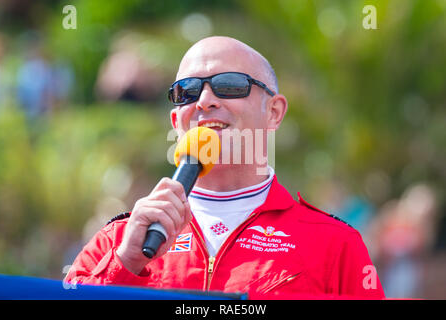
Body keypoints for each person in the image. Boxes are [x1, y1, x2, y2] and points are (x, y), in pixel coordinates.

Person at [65, 36, 385, 299]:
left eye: (229, 85)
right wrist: (125, 264)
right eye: (187, 91)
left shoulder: (335, 244)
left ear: (274, 112)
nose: (204, 100)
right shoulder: (117, 241)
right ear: (177, 121)